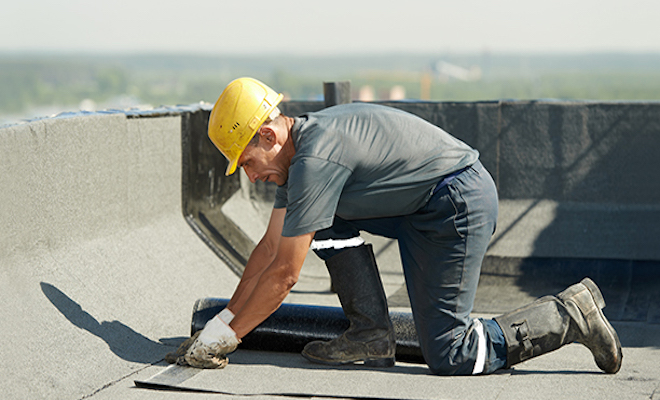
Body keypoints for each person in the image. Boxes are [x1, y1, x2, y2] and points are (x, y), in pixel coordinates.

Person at [169, 77, 622, 375]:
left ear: (268, 135)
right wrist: (223, 320)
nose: (250, 176)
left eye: (248, 161)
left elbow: (285, 276)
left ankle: (568, 314)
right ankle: (371, 334)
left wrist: (226, 338)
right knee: (314, 223)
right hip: (420, 208)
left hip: (455, 205)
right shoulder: (296, 164)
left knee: (450, 354)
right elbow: (269, 252)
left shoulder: (316, 157)